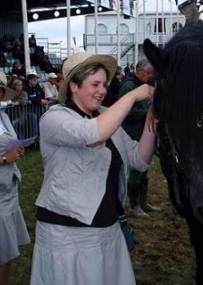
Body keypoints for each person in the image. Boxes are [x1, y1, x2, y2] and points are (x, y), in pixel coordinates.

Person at [30, 52, 156, 285]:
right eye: (95, 84)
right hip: (67, 234)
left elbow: (139, 159)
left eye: (104, 84)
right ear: (74, 86)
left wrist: (152, 115)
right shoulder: (54, 118)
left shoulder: (106, 116)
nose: (103, 90)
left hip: (108, 227)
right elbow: (92, 134)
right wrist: (131, 97)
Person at [118, 58, 161, 218]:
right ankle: (134, 205)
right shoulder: (129, 86)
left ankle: (143, 202)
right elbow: (125, 111)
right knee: (136, 171)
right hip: (133, 133)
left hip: (143, 132)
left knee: (145, 169)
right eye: (148, 73)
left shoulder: (145, 86)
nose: (150, 76)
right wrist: (148, 113)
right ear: (140, 71)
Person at [0, 72, 30, 285]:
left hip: (9, 189)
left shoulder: (4, 116)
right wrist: (3, 158)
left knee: (7, 252)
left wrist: (17, 150)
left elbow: (10, 142)